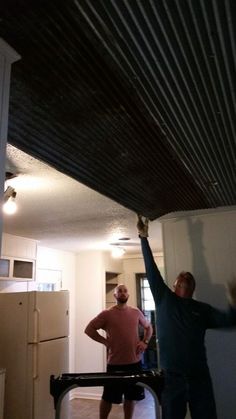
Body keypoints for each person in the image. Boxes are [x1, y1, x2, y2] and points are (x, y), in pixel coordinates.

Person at [137, 215, 236, 419]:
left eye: (189, 279)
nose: (185, 278)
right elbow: (151, 269)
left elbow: (228, 320)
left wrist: (234, 303)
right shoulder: (164, 299)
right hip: (172, 379)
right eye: (180, 278)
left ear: (193, 288)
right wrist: (143, 237)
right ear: (173, 286)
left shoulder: (202, 310)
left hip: (199, 377)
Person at [84, 283, 153, 419]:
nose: (122, 293)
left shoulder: (135, 312)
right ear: (115, 295)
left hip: (134, 363)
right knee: (108, 397)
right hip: (115, 364)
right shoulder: (106, 314)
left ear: (128, 295)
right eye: (119, 291)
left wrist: (145, 342)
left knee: (130, 397)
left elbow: (148, 327)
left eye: (125, 291)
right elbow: (89, 329)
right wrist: (105, 342)